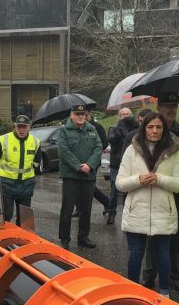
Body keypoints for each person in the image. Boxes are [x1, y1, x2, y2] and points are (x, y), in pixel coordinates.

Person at [116, 113, 179, 295]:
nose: (154, 131)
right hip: (136, 211)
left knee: (163, 255)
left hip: (163, 212)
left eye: (159, 127)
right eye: (150, 127)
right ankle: (131, 292)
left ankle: (164, 294)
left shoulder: (173, 151)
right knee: (135, 254)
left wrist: (160, 179)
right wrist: (139, 179)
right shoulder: (132, 150)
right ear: (143, 128)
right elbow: (120, 183)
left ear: (164, 129)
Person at [141, 91, 179, 293]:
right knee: (152, 231)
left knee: (175, 233)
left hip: (177, 189)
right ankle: (149, 274)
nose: (171, 110)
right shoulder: (152, 130)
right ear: (159, 108)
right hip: (155, 189)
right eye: (167, 107)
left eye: (174, 107)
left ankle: (174, 275)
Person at [58, 104, 102, 249]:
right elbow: (64, 152)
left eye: (83, 114)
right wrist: (78, 166)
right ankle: (64, 239)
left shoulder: (92, 129)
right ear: (71, 115)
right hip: (71, 176)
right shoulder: (64, 130)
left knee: (86, 209)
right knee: (67, 208)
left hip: (88, 175)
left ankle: (83, 237)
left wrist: (89, 165)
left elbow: (98, 148)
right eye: (77, 114)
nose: (81, 116)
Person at [0, 115, 40, 226]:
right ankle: (4, 240)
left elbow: (36, 164)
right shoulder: (2, 140)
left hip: (26, 186)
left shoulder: (35, 142)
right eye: (19, 126)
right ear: (15, 126)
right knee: (6, 215)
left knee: (24, 219)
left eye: (24, 127)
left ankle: (22, 241)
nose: (21, 129)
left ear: (29, 127)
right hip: (7, 185)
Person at [106, 107, 138, 225]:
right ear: (119, 116)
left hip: (130, 164)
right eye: (123, 114)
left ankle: (128, 215)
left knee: (129, 190)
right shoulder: (114, 128)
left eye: (127, 114)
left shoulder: (135, 129)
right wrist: (120, 128)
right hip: (116, 164)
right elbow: (110, 140)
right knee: (114, 189)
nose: (125, 116)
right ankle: (111, 212)